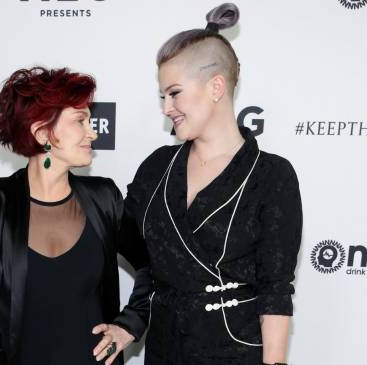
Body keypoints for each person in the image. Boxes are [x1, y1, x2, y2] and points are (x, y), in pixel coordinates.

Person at [99, 3, 303, 365]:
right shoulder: (157, 167)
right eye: (162, 95)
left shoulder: (271, 176)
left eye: (174, 93)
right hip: (164, 349)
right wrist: (131, 322)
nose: (166, 107)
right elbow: (142, 259)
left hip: (234, 351)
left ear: (216, 87)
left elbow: (275, 290)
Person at [0, 67, 152, 365]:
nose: (93, 132)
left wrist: (131, 324)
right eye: (80, 121)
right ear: (42, 132)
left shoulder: (104, 199)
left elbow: (153, 264)